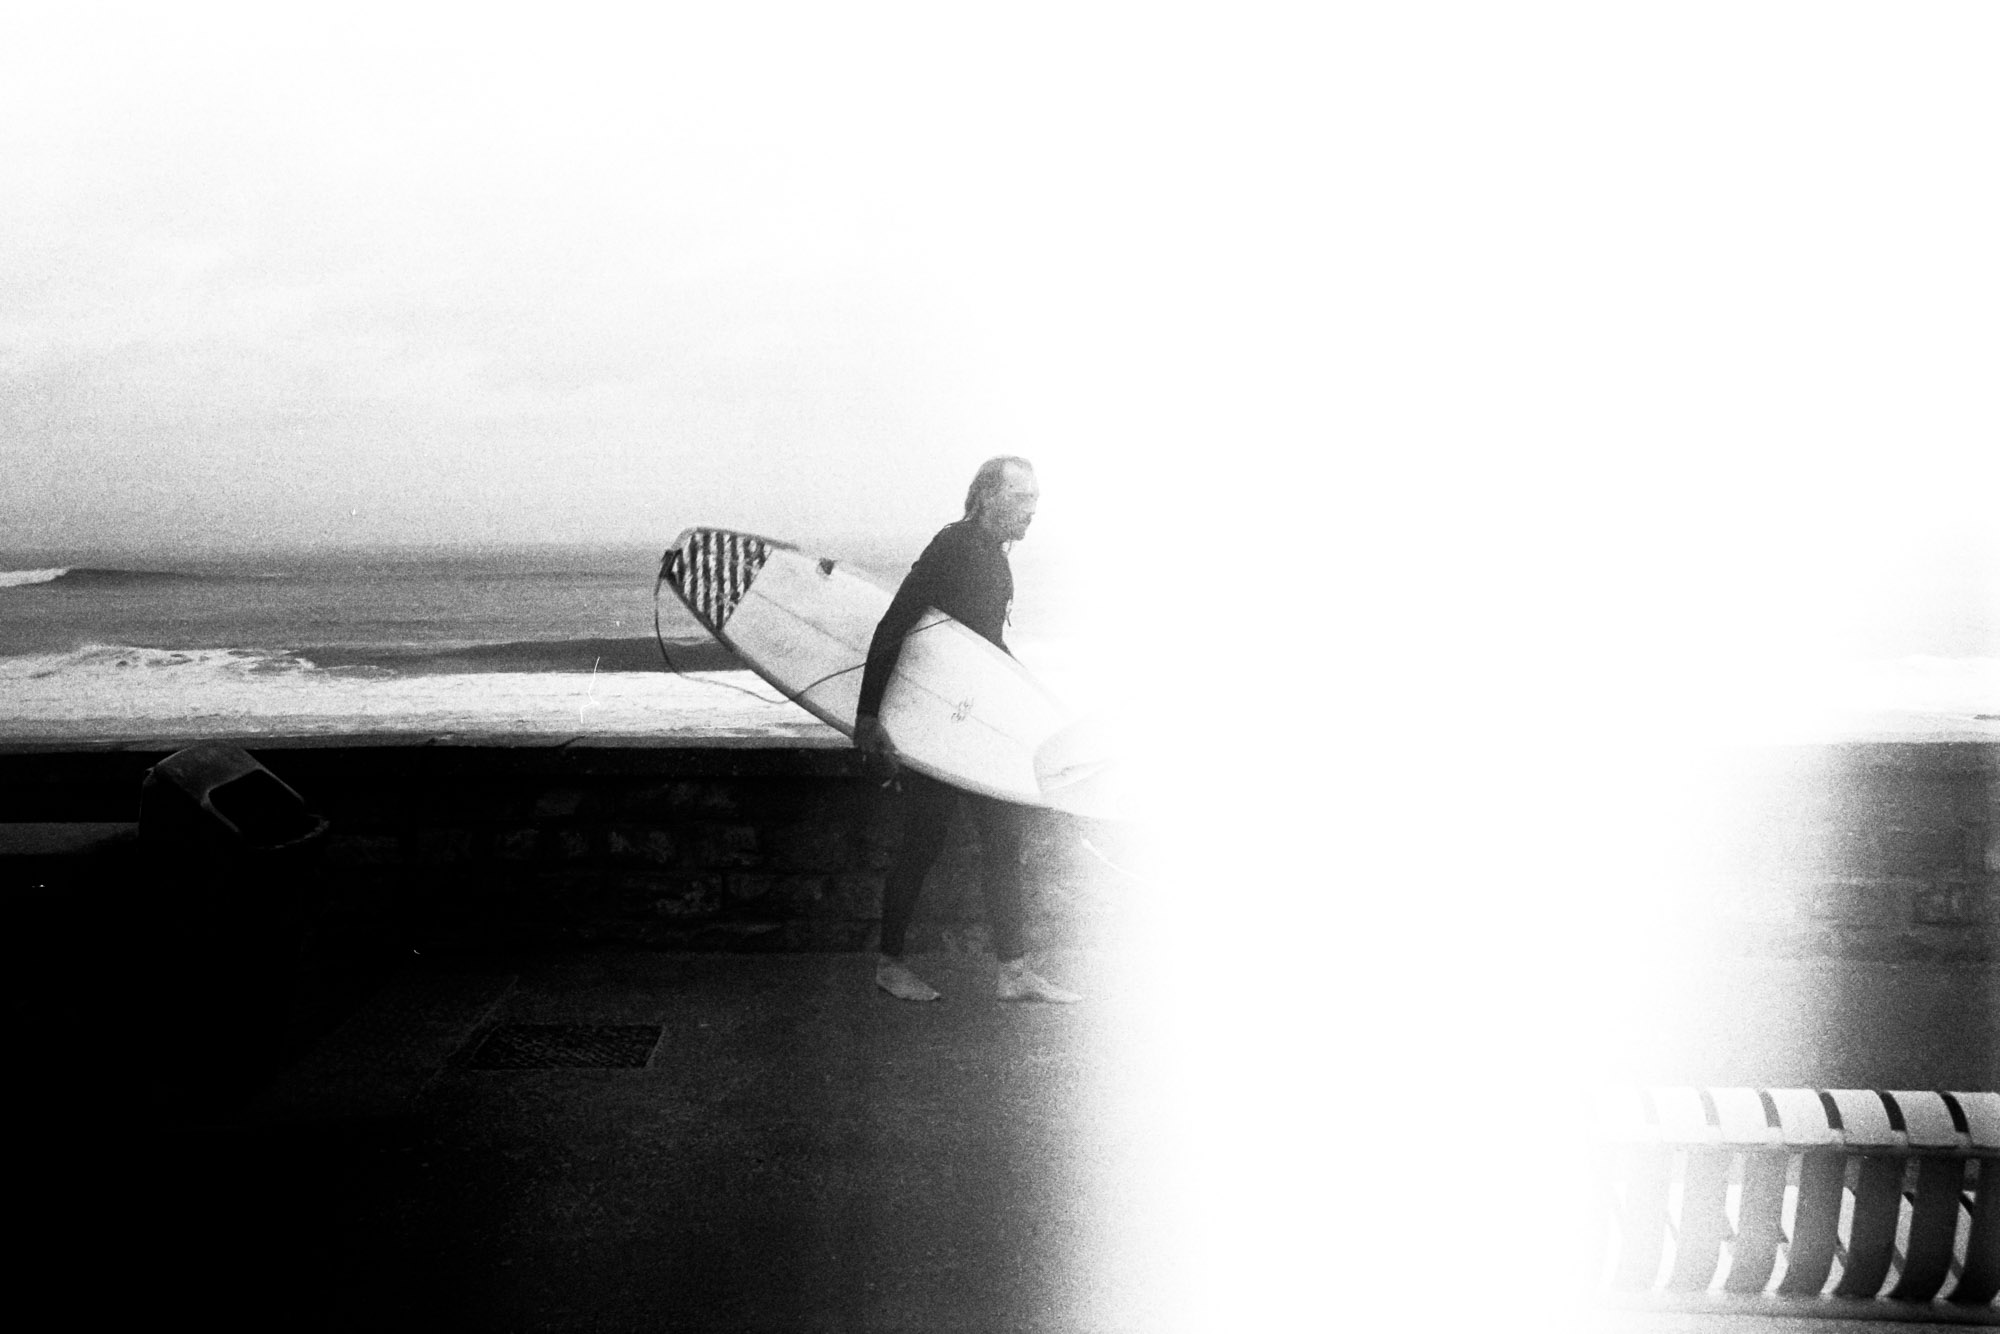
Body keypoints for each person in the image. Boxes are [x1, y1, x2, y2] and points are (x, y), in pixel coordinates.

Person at [854, 456, 1082, 1004]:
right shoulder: (952, 547)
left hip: (976, 723)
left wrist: (1033, 703)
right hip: (939, 727)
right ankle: (889, 963)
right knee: (922, 842)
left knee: (1004, 840)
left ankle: (1013, 970)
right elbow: (894, 625)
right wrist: (868, 717)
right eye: (1022, 497)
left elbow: (985, 647)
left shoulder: (996, 559)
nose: (1032, 510)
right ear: (986, 496)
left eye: (1035, 499)